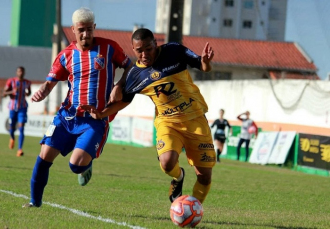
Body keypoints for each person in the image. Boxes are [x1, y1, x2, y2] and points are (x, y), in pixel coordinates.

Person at [81, 28, 216, 204]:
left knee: (204, 177)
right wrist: (101, 114)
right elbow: (125, 101)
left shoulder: (174, 51)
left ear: (155, 44)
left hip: (196, 118)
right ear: (133, 49)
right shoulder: (135, 75)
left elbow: (202, 66)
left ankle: (194, 208)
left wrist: (206, 62)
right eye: (139, 50)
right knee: (167, 162)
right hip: (168, 123)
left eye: (148, 48)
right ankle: (178, 176)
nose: (144, 54)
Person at [22, 7, 132, 208]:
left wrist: (119, 85)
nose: (86, 34)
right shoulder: (65, 55)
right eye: (81, 30)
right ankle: (34, 202)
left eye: (89, 29)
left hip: (95, 119)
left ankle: (85, 165)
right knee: (44, 154)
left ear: (94, 27)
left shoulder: (109, 48)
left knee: (75, 166)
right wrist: (42, 91)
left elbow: (130, 66)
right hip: (67, 116)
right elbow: (50, 82)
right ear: (73, 29)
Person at [3, 66, 31, 157]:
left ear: (24, 72)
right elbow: (4, 94)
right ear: (16, 72)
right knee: (12, 127)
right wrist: (12, 91)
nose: (21, 73)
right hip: (12, 108)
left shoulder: (27, 82)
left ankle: (19, 149)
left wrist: (28, 93)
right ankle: (12, 138)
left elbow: (29, 92)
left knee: (22, 128)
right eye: (19, 71)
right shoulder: (11, 81)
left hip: (22, 107)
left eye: (22, 71)